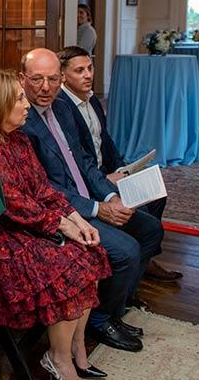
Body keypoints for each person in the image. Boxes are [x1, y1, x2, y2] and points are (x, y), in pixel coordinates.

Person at [0, 70, 110, 380]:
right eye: (19, 98)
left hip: (31, 225)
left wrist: (78, 219)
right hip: (0, 238)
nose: (27, 104)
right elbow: (12, 203)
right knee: (68, 269)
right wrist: (62, 224)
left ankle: (74, 348)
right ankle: (58, 360)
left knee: (90, 251)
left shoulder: (19, 139)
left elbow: (43, 190)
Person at [19, 48, 163, 353]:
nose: (46, 88)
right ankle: (101, 319)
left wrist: (110, 195)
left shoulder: (63, 108)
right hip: (66, 211)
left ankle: (115, 306)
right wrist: (99, 208)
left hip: (92, 197)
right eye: (37, 80)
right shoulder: (21, 120)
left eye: (53, 79)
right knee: (126, 250)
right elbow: (43, 187)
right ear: (22, 79)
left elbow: (85, 163)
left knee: (150, 229)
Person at [56, 45, 181, 283]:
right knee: (143, 216)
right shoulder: (63, 107)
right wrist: (107, 180)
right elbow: (80, 161)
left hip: (107, 173)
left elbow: (106, 142)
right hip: (92, 181)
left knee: (156, 195)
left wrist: (124, 169)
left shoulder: (91, 100)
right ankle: (135, 265)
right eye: (79, 70)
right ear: (63, 76)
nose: (88, 75)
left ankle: (145, 261)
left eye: (90, 68)